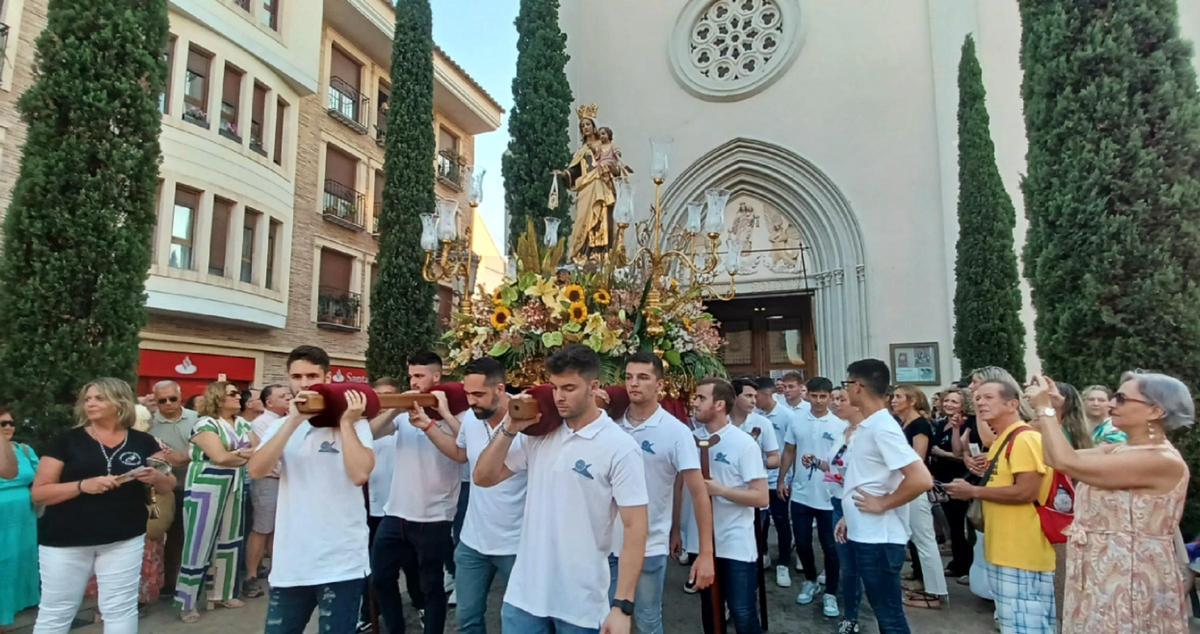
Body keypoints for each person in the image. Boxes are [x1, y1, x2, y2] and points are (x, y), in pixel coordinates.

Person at [475, 344, 648, 633]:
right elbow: (483, 477)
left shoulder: (620, 447)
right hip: (525, 596)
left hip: (581, 604)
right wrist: (510, 426)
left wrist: (622, 606)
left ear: (594, 387)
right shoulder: (539, 435)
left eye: (569, 388)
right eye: (554, 388)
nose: (559, 397)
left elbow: (635, 528)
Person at [1028, 372, 1192, 634]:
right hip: (1101, 570)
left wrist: (1044, 408)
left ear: (1155, 411)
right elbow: (1055, 457)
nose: (1111, 404)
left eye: (1122, 398)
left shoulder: (1162, 460)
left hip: (1131, 574)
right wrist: (1056, 413)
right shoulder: (1118, 449)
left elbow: (1066, 462)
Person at [31, 378, 176, 633]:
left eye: (99, 398)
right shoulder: (66, 441)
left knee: (120, 608)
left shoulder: (144, 442)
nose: (90, 404)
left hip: (124, 538)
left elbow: (168, 483)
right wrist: (81, 486)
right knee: (57, 610)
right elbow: (39, 493)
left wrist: (156, 477)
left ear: (119, 402)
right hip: (66, 540)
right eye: (87, 399)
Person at [248, 345, 375, 633]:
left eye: (312, 376)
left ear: (327, 378)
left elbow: (359, 474)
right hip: (292, 562)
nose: (304, 384)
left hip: (342, 561)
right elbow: (256, 469)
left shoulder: (357, 424)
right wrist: (293, 420)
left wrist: (345, 423)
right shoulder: (281, 425)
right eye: (297, 376)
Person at [417, 357, 524, 634]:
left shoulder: (528, 421)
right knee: (467, 620)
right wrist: (428, 426)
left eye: (478, 394)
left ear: (500, 389)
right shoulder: (474, 419)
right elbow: (461, 454)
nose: (471, 401)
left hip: (517, 544)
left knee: (521, 622)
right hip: (473, 543)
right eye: (467, 394)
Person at [611, 352, 715, 634]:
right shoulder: (610, 424)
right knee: (604, 619)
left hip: (649, 544)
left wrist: (705, 553)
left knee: (647, 620)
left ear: (659, 385)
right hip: (606, 544)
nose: (634, 384)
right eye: (629, 377)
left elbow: (697, 492)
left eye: (643, 377)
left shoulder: (675, 432)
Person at [945, 380, 1056, 634]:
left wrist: (973, 491)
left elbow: (1026, 492)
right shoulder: (1002, 440)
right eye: (978, 398)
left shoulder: (1025, 438)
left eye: (988, 397)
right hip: (1006, 550)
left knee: (1025, 626)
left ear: (1013, 404)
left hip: (1022, 553)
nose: (980, 402)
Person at [834, 359, 932, 634]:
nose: (846, 391)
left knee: (889, 615)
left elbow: (921, 478)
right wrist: (849, 516)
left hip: (879, 538)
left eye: (847, 384)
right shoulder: (870, 426)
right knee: (883, 611)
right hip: (865, 531)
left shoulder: (882, 428)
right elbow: (868, 479)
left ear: (858, 387)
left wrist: (883, 503)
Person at [367, 351, 461, 634]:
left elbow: (464, 451)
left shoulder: (455, 410)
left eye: (419, 376)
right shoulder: (404, 414)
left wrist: (436, 419)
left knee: (430, 586)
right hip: (395, 513)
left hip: (434, 516)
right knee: (381, 578)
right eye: (410, 376)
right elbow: (369, 433)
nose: (414, 382)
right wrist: (395, 407)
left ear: (436, 376)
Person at [687, 378, 767, 634]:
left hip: (734, 542)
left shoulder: (743, 443)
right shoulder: (690, 440)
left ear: (719, 404)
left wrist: (721, 490)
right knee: (710, 610)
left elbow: (761, 497)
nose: (695, 403)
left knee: (742, 612)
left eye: (701, 398)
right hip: (700, 541)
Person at [176, 381, 255, 622]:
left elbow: (259, 449)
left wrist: (236, 456)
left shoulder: (242, 423)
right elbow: (219, 457)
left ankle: (222, 593)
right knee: (198, 541)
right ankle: (187, 602)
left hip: (235, 485)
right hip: (205, 487)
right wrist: (241, 455)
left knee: (230, 540)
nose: (239, 397)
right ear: (219, 398)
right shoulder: (204, 424)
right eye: (233, 394)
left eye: (239, 394)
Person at [777, 377, 845, 614]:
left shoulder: (839, 425)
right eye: (814, 396)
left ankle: (831, 593)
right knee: (803, 542)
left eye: (822, 396)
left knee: (830, 546)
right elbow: (788, 451)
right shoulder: (796, 420)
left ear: (829, 398)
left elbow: (841, 461)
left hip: (828, 494)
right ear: (808, 395)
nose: (818, 401)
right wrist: (781, 480)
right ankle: (810, 580)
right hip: (801, 493)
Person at [889, 385, 946, 610]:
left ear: (912, 401)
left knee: (924, 539)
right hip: (906, 485)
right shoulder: (904, 424)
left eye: (899, 397)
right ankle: (927, 585)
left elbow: (918, 458)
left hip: (915, 486)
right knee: (918, 538)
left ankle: (935, 593)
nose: (893, 400)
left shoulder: (919, 425)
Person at [812, 388, 864, 633]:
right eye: (834, 399)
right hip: (837, 502)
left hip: (856, 505)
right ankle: (850, 614)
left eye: (841, 399)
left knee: (858, 564)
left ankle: (856, 614)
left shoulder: (866, 435)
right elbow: (836, 467)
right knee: (847, 563)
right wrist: (817, 463)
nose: (835, 403)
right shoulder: (843, 432)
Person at [149, 379, 199, 597]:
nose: (168, 404)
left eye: (173, 398)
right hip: (157, 491)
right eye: (162, 400)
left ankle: (173, 583)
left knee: (181, 537)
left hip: (190, 486)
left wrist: (183, 456)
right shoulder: (148, 423)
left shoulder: (197, 419)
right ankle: (152, 583)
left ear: (181, 396)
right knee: (153, 536)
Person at [359, 376, 400, 633]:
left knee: (408, 566)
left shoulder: (404, 422)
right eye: (378, 396)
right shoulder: (361, 426)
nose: (383, 401)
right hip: (369, 507)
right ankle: (370, 611)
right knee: (373, 569)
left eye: (388, 395)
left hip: (398, 508)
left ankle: (417, 604)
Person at [244, 383, 292, 599]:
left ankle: (274, 569)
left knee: (274, 529)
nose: (288, 398)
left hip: (281, 481)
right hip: (268, 480)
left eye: (288, 395)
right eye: (282, 396)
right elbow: (272, 456)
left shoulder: (285, 420)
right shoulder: (263, 423)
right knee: (261, 529)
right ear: (269, 402)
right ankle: (251, 576)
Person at [752, 377, 798, 586]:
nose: (754, 400)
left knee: (781, 521)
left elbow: (791, 449)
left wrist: (785, 479)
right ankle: (762, 554)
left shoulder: (786, 416)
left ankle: (784, 563)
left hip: (779, 478)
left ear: (767, 394)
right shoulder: (754, 416)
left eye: (756, 396)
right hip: (758, 477)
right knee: (758, 521)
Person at [928, 387, 975, 578]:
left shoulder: (968, 425)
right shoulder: (941, 424)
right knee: (951, 523)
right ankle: (957, 562)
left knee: (960, 524)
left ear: (964, 405)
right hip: (941, 478)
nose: (948, 404)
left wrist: (942, 453)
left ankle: (965, 565)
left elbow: (965, 454)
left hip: (960, 477)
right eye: (946, 401)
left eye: (954, 402)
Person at [0, 408, 39, 630]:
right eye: (2, 423)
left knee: (20, 562)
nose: (7, 427)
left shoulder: (23, 450)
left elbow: (42, 475)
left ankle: (12, 611)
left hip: (25, 517)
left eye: (10, 423)